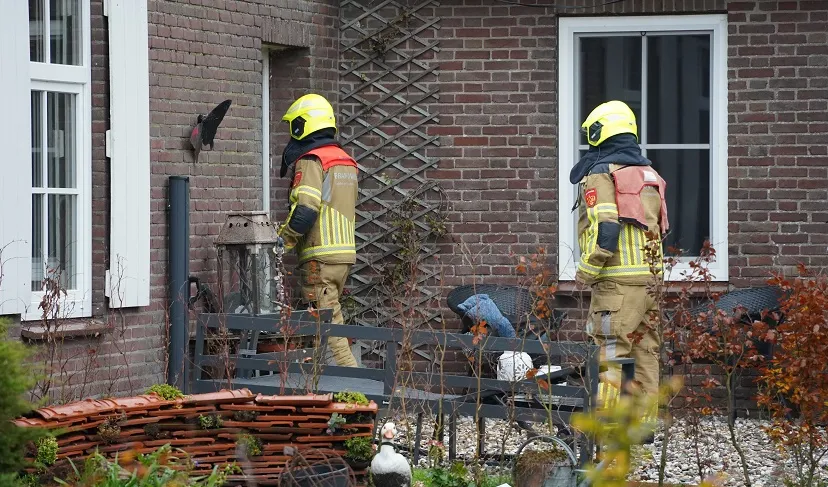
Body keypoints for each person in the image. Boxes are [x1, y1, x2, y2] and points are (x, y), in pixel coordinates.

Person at [569, 100, 670, 426]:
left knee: (609, 353)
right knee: (646, 352)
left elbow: (606, 230)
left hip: (616, 284)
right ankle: (642, 428)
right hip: (651, 282)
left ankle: (609, 427)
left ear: (599, 132)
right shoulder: (649, 174)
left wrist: (585, 271)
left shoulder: (601, 174)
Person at [277, 93, 359, 367]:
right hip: (343, 256)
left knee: (329, 327)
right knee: (320, 326)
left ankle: (356, 392)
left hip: (319, 259)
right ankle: (317, 387)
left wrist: (281, 242)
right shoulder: (345, 161)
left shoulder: (312, 160)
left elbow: (306, 210)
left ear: (302, 125)